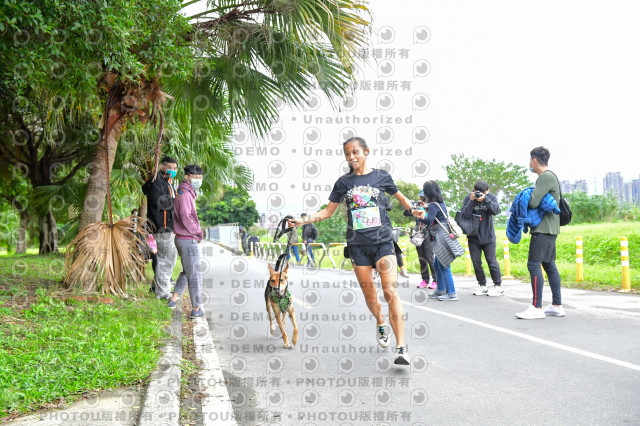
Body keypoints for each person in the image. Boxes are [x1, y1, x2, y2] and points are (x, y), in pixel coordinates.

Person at [289, 136, 415, 365]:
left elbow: (401, 198)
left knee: (390, 292)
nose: (352, 157)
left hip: (383, 242)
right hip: (358, 246)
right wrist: (302, 221)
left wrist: (414, 209)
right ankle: (380, 322)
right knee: (371, 297)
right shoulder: (343, 182)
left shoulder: (382, 176)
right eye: (348, 154)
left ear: (366, 151)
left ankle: (401, 348)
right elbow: (327, 212)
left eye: (355, 152)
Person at [516, 147, 565, 319]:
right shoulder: (550, 177)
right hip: (551, 229)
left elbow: (534, 202)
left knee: (534, 265)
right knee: (549, 265)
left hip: (543, 230)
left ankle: (537, 307)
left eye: (530, 160)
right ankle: (557, 305)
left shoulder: (545, 177)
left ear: (534, 160)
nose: (529, 163)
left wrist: (526, 195)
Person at [167, 164, 205, 319]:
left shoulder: (188, 192)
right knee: (195, 275)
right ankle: (196, 309)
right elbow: (185, 217)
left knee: (187, 271)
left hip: (184, 238)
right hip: (187, 239)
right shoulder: (184, 193)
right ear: (187, 177)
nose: (198, 180)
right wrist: (198, 231)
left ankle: (173, 299)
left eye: (200, 177)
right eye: (195, 177)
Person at [412, 180, 459, 301]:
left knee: (444, 265)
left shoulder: (433, 205)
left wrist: (419, 216)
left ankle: (451, 293)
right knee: (438, 264)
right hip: (442, 236)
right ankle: (440, 290)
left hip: (441, 238)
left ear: (427, 192)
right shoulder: (440, 203)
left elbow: (428, 221)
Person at [142, 156, 179, 300]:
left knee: (168, 257)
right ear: (162, 166)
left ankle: (158, 287)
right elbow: (161, 202)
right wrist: (178, 202)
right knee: (165, 259)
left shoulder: (167, 182)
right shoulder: (156, 181)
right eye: (170, 167)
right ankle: (163, 293)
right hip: (161, 227)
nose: (173, 170)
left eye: (175, 168)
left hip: (168, 227)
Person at [461, 181, 503, 296]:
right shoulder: (469, 197)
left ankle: (498, 286)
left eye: (484, 193)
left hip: (488, 236)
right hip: (473, 236)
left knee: (492, 261)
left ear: (487, 191)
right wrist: (471, 201)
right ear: (474, 190)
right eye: (477, 192)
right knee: (476, 262)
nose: (480, 195)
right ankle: (482, 285)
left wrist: (485, 199)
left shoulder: (490, 197)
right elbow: (465, 215)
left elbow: (496, 211)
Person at [405, 190, 436, 289]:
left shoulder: (432, 206)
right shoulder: (417, 205)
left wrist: (425, 207)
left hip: (428, 233)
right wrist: (410, 205)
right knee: (421, 258)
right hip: (418, 234)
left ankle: (436, 280)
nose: (422, 199)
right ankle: (425, 280)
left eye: (424, 197)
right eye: (421, 197)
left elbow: (432, 219)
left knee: (430, 257)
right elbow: (406, 213)